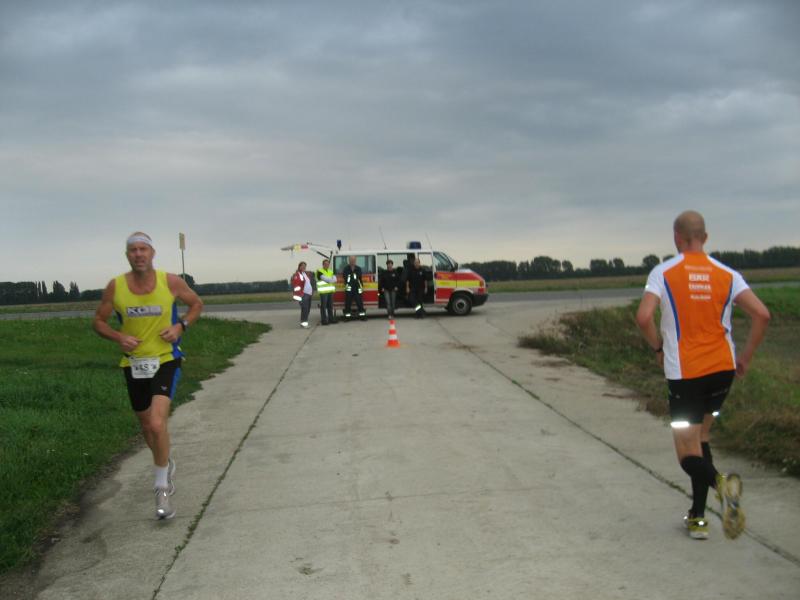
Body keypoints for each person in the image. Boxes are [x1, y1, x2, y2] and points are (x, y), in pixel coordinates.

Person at [635, 210, 770, 540]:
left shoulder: (663, 272)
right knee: (702, 438)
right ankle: (697, 518)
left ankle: (722, 486)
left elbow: (643, 317)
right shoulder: (727, 274)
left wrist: (657, 348)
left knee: (686, 451)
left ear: (676, 238)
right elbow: (762, 314)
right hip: (722, 371)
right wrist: (745, 357)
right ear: (705, 238)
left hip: (686, 374)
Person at [93, 232, 203, 520]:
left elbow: (196, 305)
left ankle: (161, 488)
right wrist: (119, 337)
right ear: (127, 255)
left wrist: (180, 327)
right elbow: (99, 321)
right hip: (134, 363)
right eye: (133, 250)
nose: (139, 254)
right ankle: (164, 461)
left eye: (143, 249)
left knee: (156, 422)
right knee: (146, 426)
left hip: (166, 359)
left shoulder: (171, 282)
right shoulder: (116, 287)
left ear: (152, 253)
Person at [342, 255, 366, 321]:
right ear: (349, 260)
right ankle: (347, 318)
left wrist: (361, 287)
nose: (352, 261)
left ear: (355, 260)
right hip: (349, 289)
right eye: (351, 260)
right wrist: (352, 277)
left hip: (357, 288)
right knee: (347, 304)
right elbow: (345, 277)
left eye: (353, 260)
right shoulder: (346, 268)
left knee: (360, 303)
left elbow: (359, 277)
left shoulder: (358, 268)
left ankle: (362, 317)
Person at [291, 262, 314, 328]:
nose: (304, 267)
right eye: (302, 266)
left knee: (307, 309)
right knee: (305, 309)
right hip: (303, 294)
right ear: (299, 267)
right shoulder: (297, 275)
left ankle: (303, 322)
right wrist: (300, 295)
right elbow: (295, 285)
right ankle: (304, 323)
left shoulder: (305, 274)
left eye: (305, 266)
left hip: (308, 294)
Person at [315, 259, 337, 325]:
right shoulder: (319, 271)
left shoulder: (331, 271)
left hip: (330, 291)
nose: (327, 265)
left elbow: (335, 280)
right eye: (325, 264)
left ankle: (331, 319)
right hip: (323, 292)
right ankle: (324, 320)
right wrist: (331, 279)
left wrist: (330, 280)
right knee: (323, 307)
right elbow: (326, 279)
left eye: (328, 264)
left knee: (330, 306)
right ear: (323, 264)